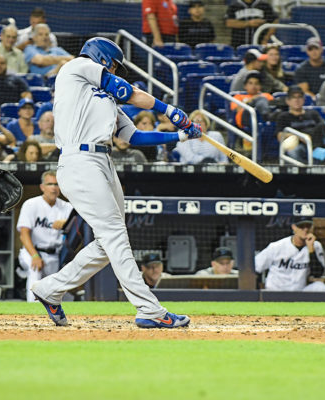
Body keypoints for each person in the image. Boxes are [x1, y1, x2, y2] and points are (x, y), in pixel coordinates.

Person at [30, 37, 200, 329]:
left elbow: (134, 137)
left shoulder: (104, 99)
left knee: (107, 242)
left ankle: (50, 289)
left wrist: (180, 136)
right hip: (79, 161)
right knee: (115, 236)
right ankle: (149, 309)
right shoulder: (76, 67)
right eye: (114, 64)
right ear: (103, 57)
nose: (116, 69)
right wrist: (169, 110)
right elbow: (127, 91)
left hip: (103, 162)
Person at [17, 171, 72, 303]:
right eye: (50, 184)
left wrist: (67, 224)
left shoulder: (67, 207)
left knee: (54, 289)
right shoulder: (31, 204)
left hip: (54, 254)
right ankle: (33, 310)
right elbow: (23, 234)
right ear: (42, 187)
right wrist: (34, 256)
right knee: (34, 270)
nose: (54, 187)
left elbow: (79, 229)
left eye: (57, 184)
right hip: (32, 251)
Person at [254, 217, 325, 292]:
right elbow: (255, 267)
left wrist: (311, 250)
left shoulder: (315, 246)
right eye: (301, 226)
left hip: (299, 292)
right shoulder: (277, 246)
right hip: (275, 291)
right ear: (294, 227)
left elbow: (318, 274)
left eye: (308, 226)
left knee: (320, 287)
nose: (305, 229)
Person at [275, 85, 323, 161]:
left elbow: (323, 128)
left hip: (316, 144)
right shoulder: (283, 116)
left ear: (304, 99)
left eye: (299, 97)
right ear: (288, 101)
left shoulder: (313, 114)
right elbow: (280, 136)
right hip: (298, 146)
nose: (297, 100)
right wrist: (301, 137)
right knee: (294, 151)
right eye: (293, 97)